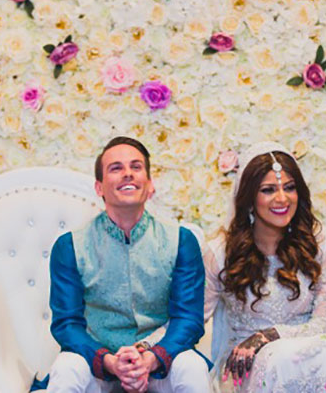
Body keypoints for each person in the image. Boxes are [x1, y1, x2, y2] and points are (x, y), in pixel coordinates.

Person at [47, 136, 210, 393]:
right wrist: (109, 362)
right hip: (97, 361)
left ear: (150, 184)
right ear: (99, 187)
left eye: (136, 167)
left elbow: (188, 319)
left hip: (158, 360)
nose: (127, 174)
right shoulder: (70, 247)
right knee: (66, 368)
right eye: (116, 168)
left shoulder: (181, 241)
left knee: (192, 367)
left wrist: (151, 359)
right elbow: (66, 324)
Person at [204, 142, 326, 392]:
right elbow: (192, 318)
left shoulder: (325, 245)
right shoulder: (221, 253)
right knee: (280, 358)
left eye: (289, 187)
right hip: (250, 365)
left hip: (319, 354)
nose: (282, 198)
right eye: (268, 190)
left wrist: (269, 335)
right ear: (249, 199)